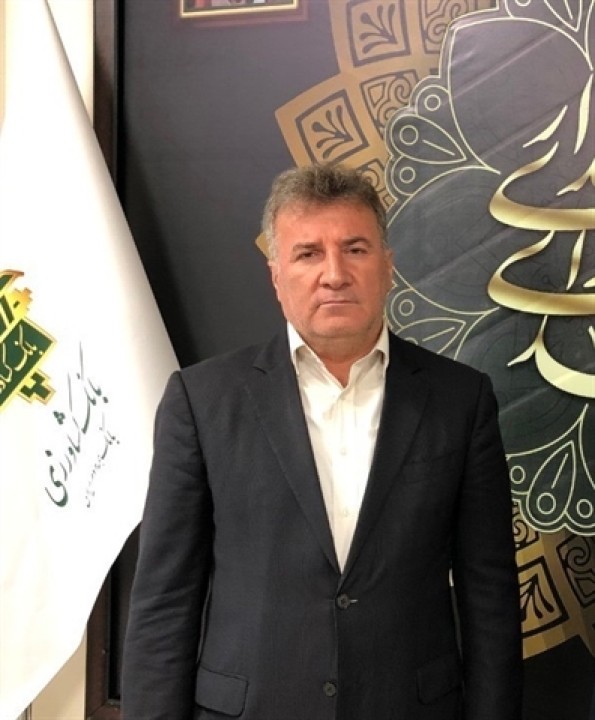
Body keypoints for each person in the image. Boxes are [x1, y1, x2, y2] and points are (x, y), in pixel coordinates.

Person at [121, 163, 523, 720]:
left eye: (355, 249)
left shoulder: (461, 400)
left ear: (388, 266)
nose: (334, 274)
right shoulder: (202, 401)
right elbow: (165, 601)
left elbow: (490, 597)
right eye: (308, 253)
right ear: (276, 276)